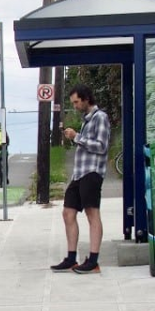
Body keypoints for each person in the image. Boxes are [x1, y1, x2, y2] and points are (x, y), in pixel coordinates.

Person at [51, 84, 111, 275]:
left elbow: (101, 146)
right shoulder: (87, 120)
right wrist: (75, 137)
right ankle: (71, 258)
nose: (75, 106)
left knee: (92, 214)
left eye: (76, 102)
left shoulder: (100, 117)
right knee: (68, 212)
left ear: (86, 99)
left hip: (92, 172)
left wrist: (77, 137)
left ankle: (93, 260)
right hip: (79, 174)